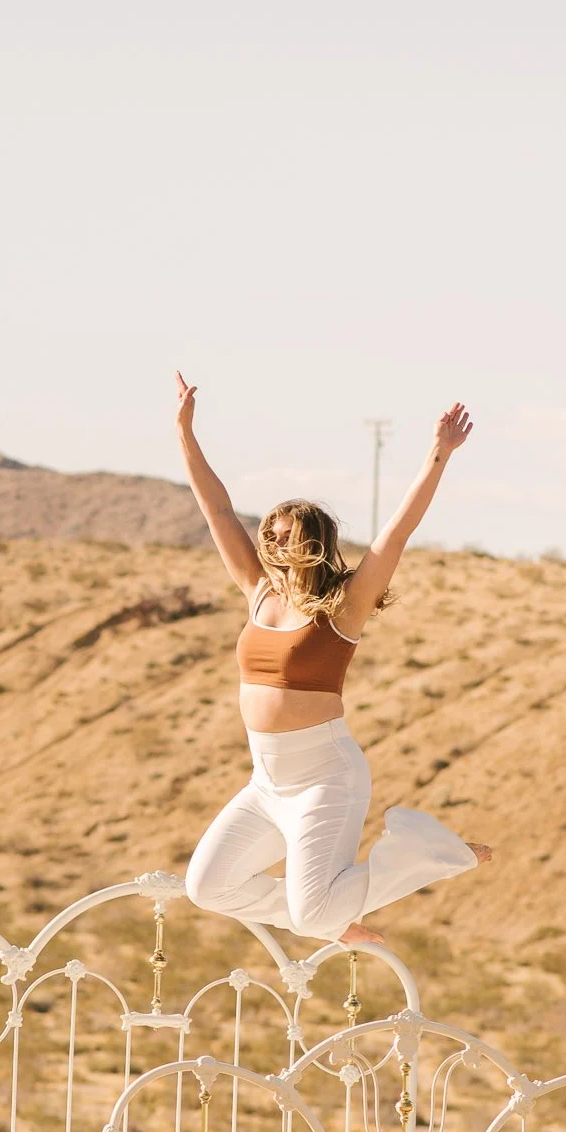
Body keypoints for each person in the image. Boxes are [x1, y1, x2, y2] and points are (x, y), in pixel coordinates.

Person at [175, 375, 491, 945]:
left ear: (314, 541)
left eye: (284, 534)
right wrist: (184, 433)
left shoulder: (343, 606)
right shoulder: (259, 593)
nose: (270, 543)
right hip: (267, 781)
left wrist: (438, 455)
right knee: (208, 887)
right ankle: (325, 913)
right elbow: (219, 511)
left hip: (325, 778)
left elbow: (397, 533)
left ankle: (426, 857)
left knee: (311, 915)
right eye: (268, 532)